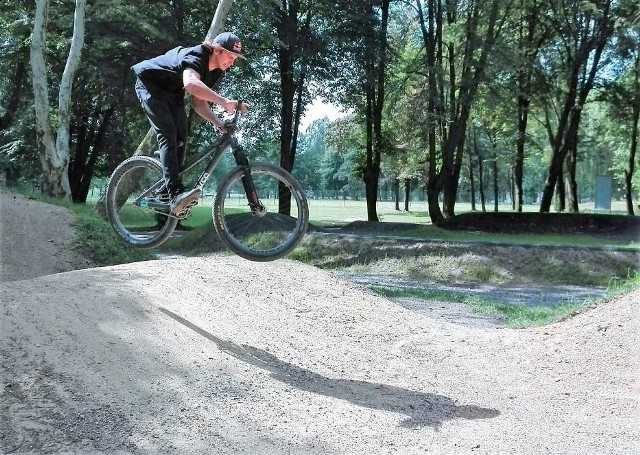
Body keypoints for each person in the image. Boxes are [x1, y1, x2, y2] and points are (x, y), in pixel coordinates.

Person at [131, 32, 249, 215]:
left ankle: (166, 191)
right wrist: (224, 102)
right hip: (150, 85)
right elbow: (190, 83)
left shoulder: (214, 71)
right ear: (216, 50)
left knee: (182, 136)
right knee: (168, 134)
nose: (232, 62)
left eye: (235, 58)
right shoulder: (197, 55)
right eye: (230, 56)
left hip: (171, 92)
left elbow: (198, 102)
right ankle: (175, 192)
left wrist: (218, 122)